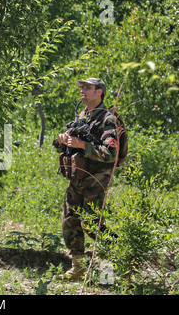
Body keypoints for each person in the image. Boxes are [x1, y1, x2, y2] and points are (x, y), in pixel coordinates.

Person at [53, 78, 119, 281]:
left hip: (96, 179)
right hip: (77, 176)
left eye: (88, 88)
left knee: (94, 225)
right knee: (70, 220)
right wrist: (63, 141)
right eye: (82, 88)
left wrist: (84, 145)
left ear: (99, 92)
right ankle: (78, 268)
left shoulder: (108, 120)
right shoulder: (82, 116)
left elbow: (110, 153)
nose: (83, 91)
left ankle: (114, 269)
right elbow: (66, 146)